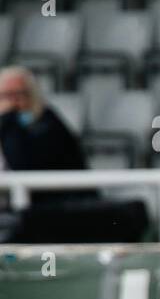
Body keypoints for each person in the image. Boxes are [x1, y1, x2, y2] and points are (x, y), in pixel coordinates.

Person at [0, 65, 91, 205]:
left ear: (32, 95)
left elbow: (23, 166)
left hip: (60, 204)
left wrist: (8, 118)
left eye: (19, 94)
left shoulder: (47, 123)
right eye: (6, 96)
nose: (13, 102)